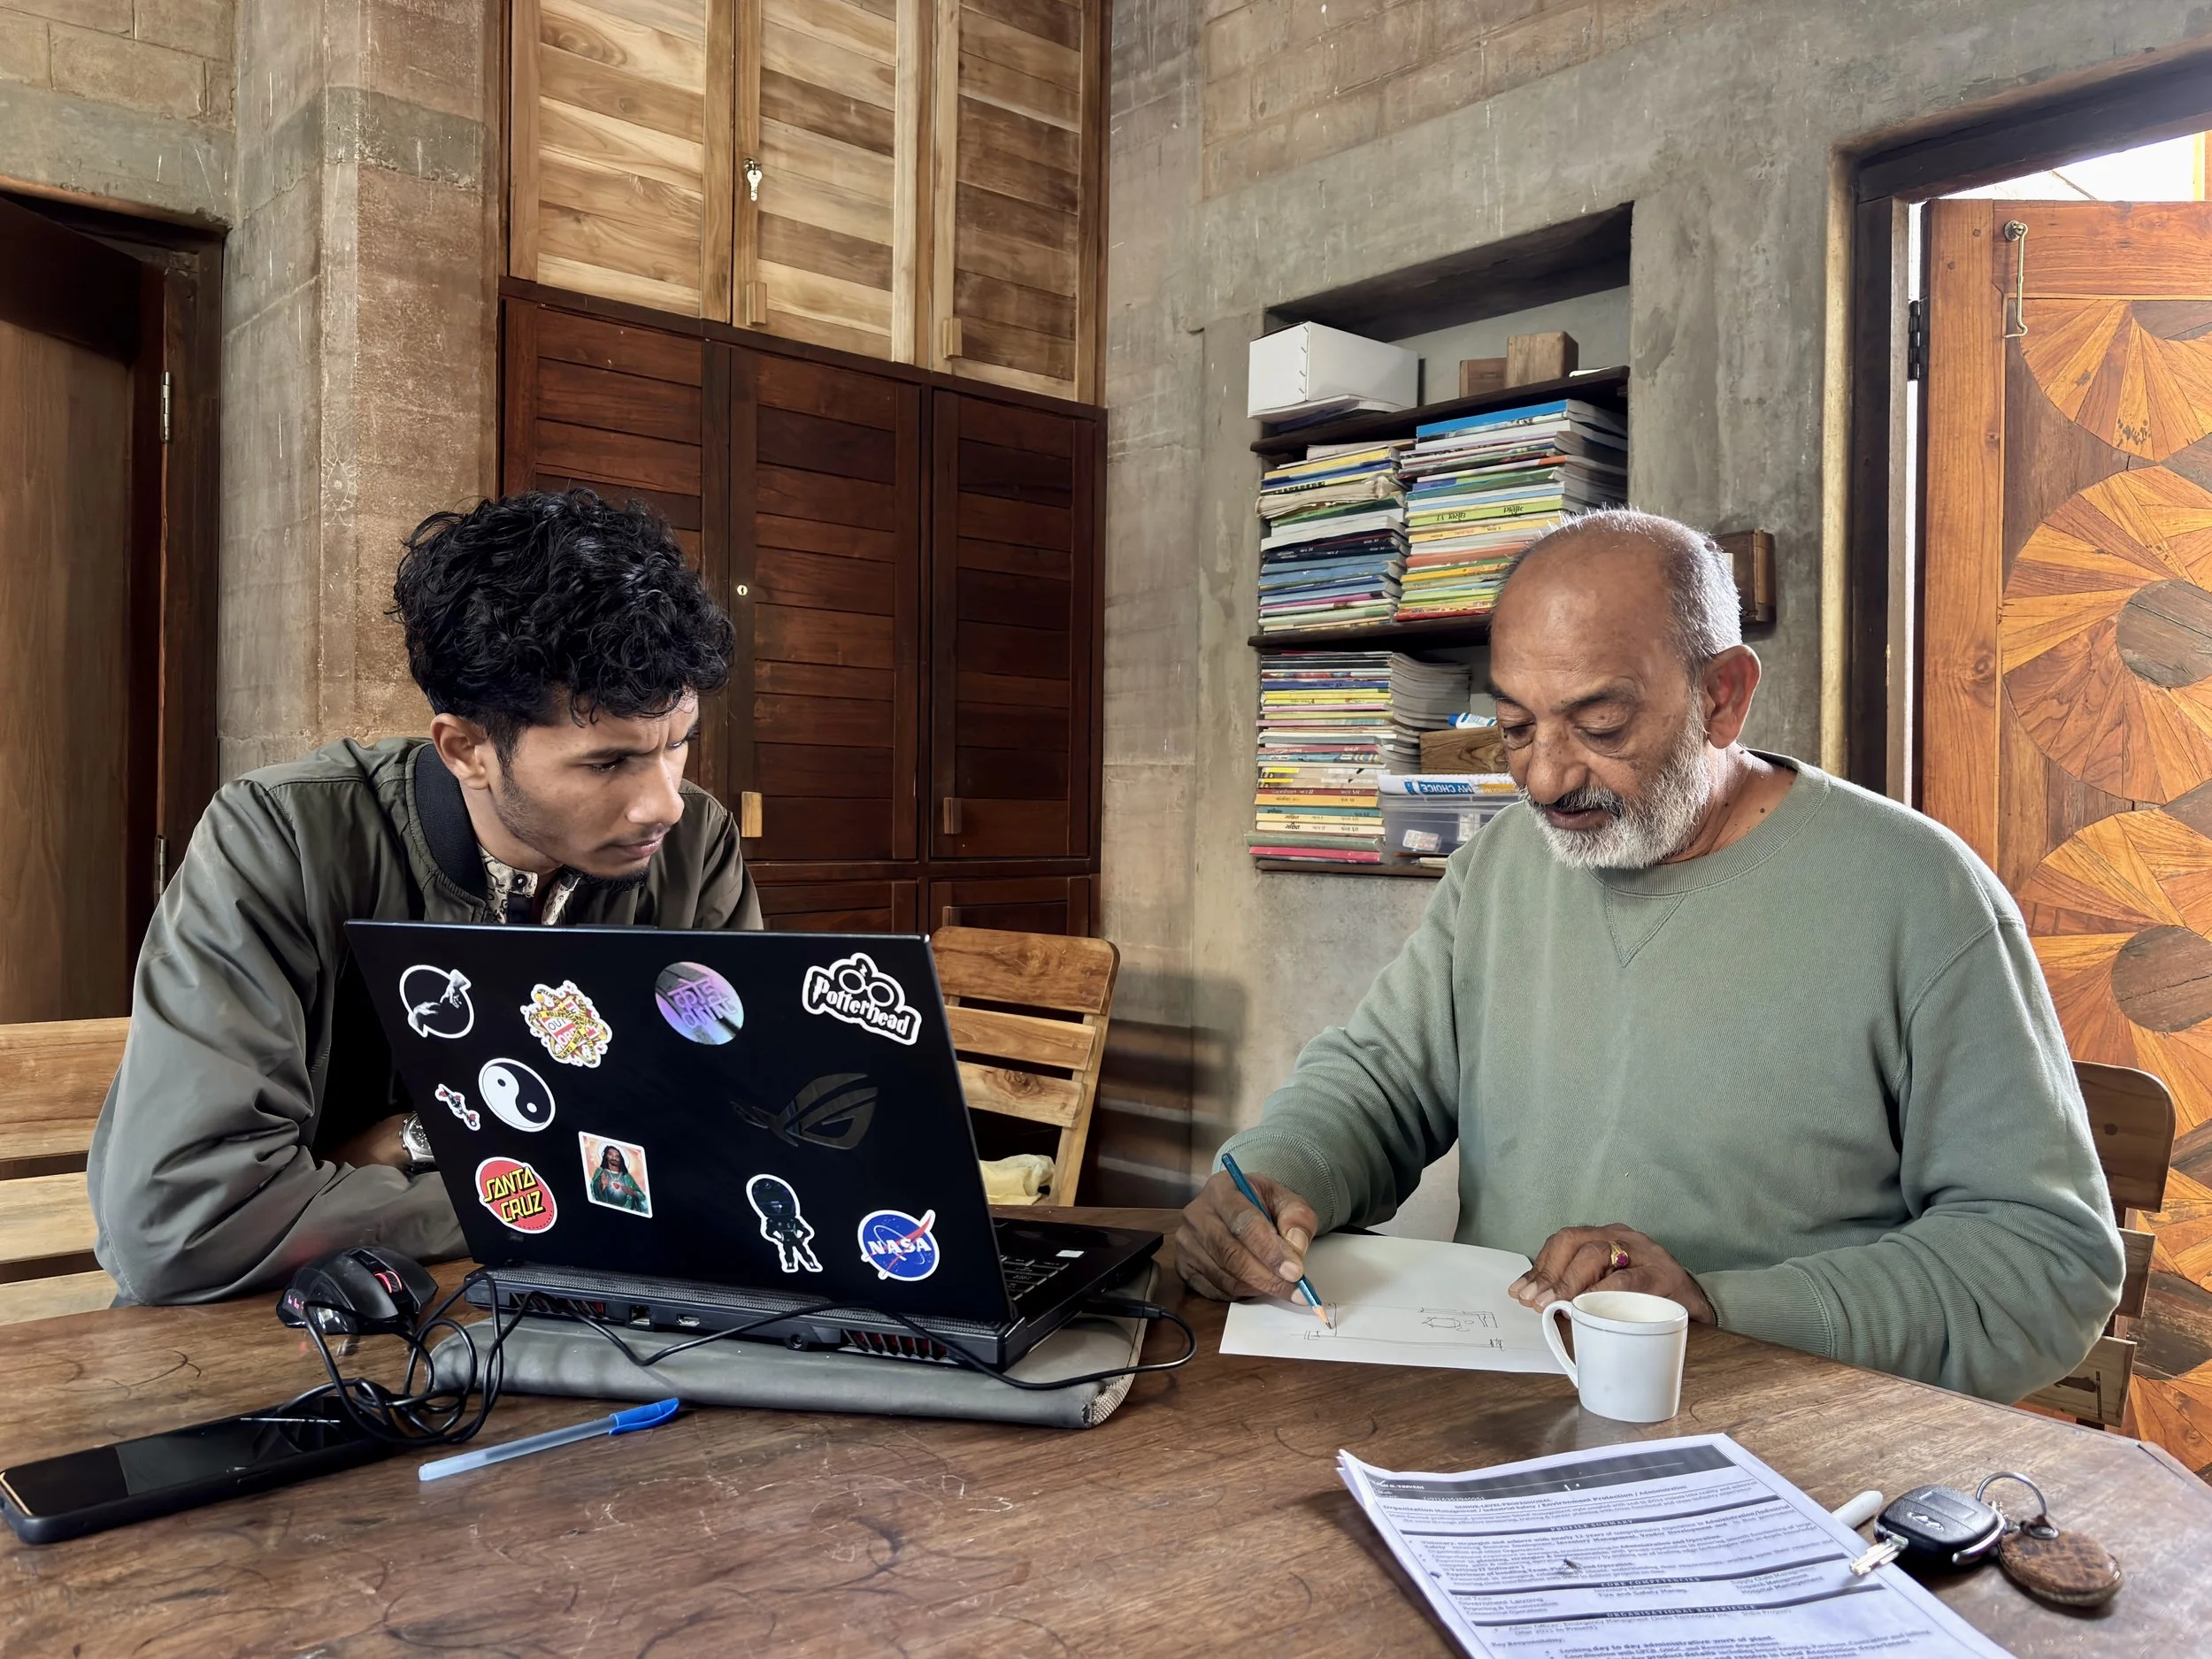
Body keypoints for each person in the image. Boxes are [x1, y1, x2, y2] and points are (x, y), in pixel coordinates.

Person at [1179, 509, 2124, 1402]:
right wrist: (1275, 1178)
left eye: (1598, 726)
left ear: (1722, 697)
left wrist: (1719, 1310)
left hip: (1784, 1443)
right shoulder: (1502, 867)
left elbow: (2043, 1260)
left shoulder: (1918, 894)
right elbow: (1381, 1083)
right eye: (1513, 727)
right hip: (1496, 1409)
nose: (1545, 777)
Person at [88, 489, 761, 1304]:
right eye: (607, 762)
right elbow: (181, 1221)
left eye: (678, 744)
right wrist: (590, 1186)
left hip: (597, 1313)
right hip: (287, 1336)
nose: (663, 803)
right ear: (467, 748)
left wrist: (409, 1143)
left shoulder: (697, 844)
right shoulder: (281, 838)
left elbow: (734, 1140)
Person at [589, 1144, 649, 1214]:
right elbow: (593, 1191)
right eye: (610, 1154)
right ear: (606, 1156)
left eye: (617, 1156)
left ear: (621, 1159)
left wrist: (633, 1193)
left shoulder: (627, 1177)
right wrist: (602, 1187)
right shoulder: (601, 1172)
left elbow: (643, 1197)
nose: (614, 1158)